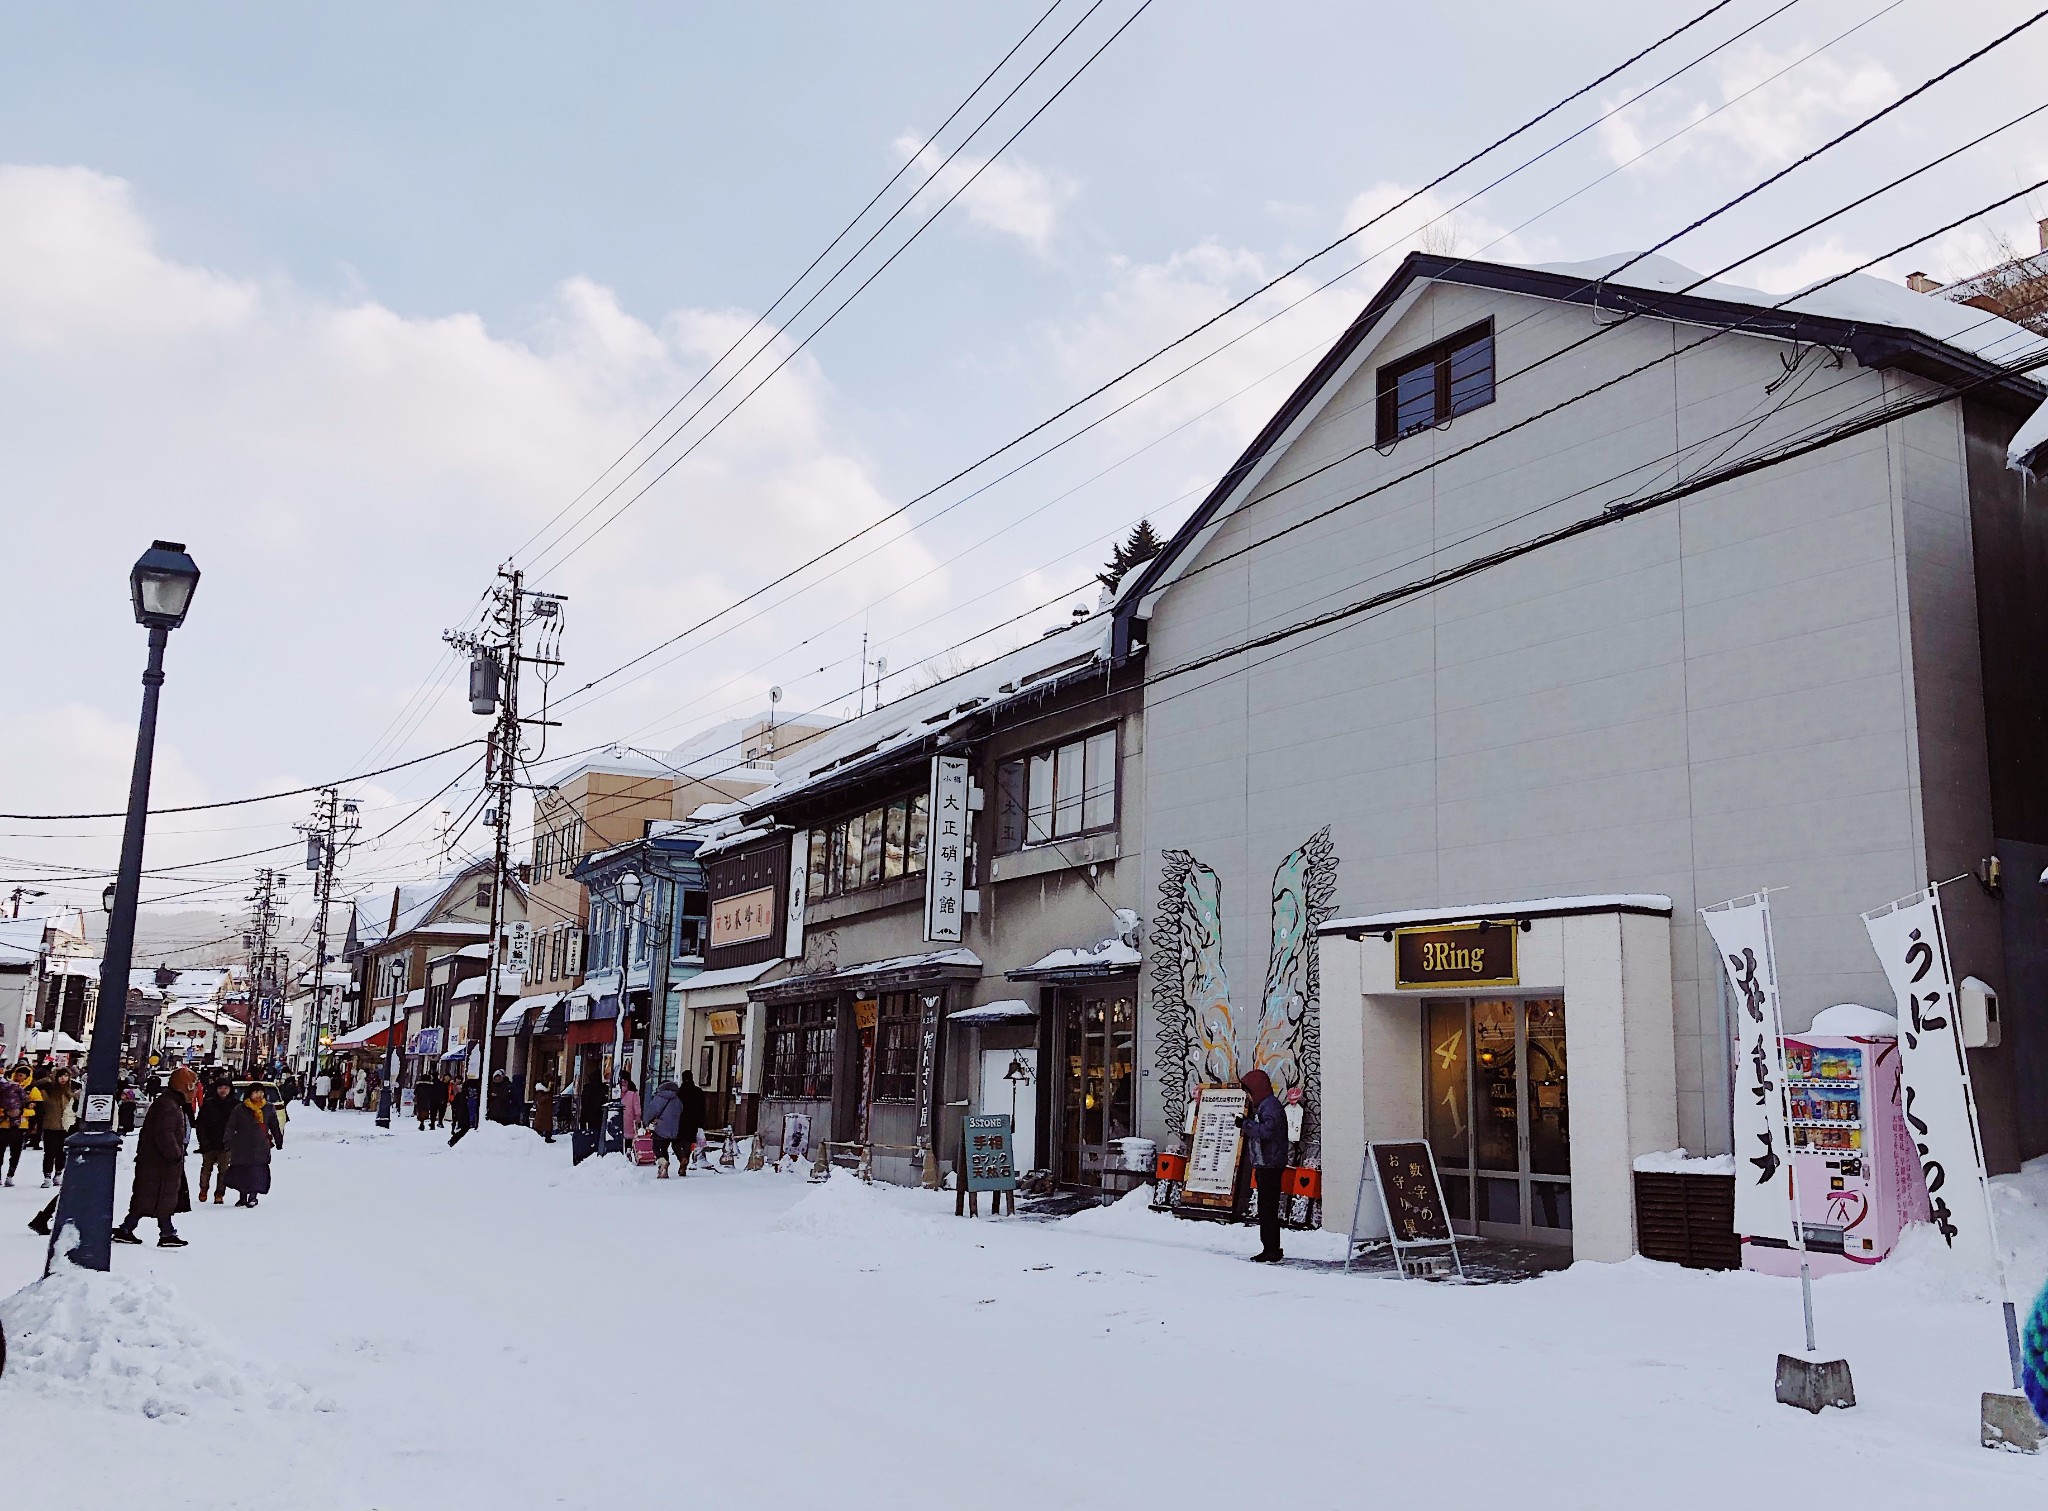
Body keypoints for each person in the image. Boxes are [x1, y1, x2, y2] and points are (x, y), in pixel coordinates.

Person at [113, 1067, 198, 1248]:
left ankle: (148, 1230)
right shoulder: (169, 1105)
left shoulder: (169, 1103)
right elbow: (164, 1133)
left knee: (153, 1197)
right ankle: (158, 1232)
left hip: (156, 1161)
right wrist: (175, 1154)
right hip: (160, 1163)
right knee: (155, 1196)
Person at [1238, 1068, 1290, 1263]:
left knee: (1267, 1207)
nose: (1249, 1097)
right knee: (1266, 1207)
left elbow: (1268, 1131)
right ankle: (1269, 1247)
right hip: (1266, 1164)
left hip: (1270, 1165)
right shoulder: (1266, 1106)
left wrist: (1246, 1125)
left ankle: (1271, 1249)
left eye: (1249, 1092)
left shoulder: (1270, 1107)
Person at [224, 1083, 283, 1207]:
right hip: (241, 1145)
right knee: (242, 1171)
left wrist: (279, 1140)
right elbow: (231, 1126)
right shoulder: (240, 1108)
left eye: (261, 1092)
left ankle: (253, 1196)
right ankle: (242, 1197)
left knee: (257, 1171)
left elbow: (274, 1126)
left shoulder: (268, 1108)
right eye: (256, 1092)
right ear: (249, 1094)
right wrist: (227, 1140)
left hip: (260, 1146)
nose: (259, 1095)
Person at [194, 1076, 236, 1204]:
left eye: (226, 1088)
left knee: (223, 1170)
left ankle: (219, 1193)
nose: (223, 1090)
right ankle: (203, 1189)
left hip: (226, 1144)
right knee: (206, 1168)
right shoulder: (209, 1104)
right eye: (220, 1088)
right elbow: (200, 1125)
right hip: (209, 1142)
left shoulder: (235, 1105)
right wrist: (203, 1141)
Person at [36, 1067, 76, 1188]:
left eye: (65, 1076)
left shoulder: (71, 1091)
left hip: (66, 1126)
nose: (63, 1078)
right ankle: (47, 1175)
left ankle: (58, 1173)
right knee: (49, 1152)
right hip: (50, 1125)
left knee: (61, 1152)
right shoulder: (48, 1090)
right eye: (60, 1076)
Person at [641, 1078, 684, 1178]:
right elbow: (680, 1111)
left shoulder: (659, 1098)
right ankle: (664, 1171)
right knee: (664, 1148)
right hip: (673, 1129)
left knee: (656, 1148)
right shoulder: (677, 1100)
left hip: (660, 1127)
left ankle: (663, 1163)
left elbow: (651, 1111)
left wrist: (646, 1122)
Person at [0, 1065, 31, 1186]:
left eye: (21, 1075)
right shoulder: (5, 1088)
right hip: (3, 1124)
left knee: (15, 1152)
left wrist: (21, 1112)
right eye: (17, 1074)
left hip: (20, 1125)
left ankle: (10, 1174)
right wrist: (6, 1112)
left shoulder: (31, 1088)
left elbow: (35, 1109)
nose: (19, 1077)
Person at [530, 1075, 556, 1143]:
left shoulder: (547, 1090)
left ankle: (547, 1136)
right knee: (541, 1124)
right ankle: (538, 1136)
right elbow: (541, 1099)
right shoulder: (542, 1090)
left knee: (547, 1124)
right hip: (543, 1110)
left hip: (546, 1110)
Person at [618, 1070, 641, 1146]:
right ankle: (628, 1153)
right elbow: (637, 1107)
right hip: (629, 1118)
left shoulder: (616, 1090)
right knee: (629, 1139)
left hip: (618, 1117)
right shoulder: (633, 1091)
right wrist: (638, 1118)